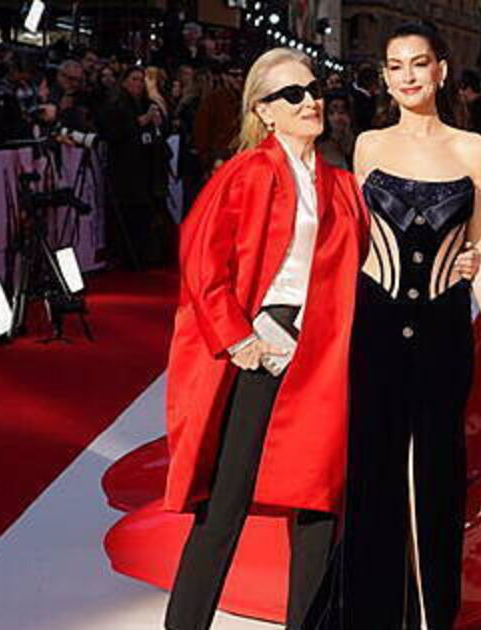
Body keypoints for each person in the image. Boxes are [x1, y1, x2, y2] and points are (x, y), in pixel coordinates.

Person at [162, 47, 367, 630]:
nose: (310, 102)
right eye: (292, 95)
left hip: (322, 357)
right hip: (260, 354)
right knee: (225, 504)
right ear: (264, 110)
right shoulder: (248, 171)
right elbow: (203, 261)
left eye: (314, 90)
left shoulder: (340, 182)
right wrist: (237, 338)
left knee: (318, 500)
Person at [323, 21, 481, 629]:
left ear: (441, 71)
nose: (407, 76)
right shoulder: (368, 145)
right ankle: (370, 616)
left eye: (418, 63)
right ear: (384, 77)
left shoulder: (475, 150)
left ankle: (433, 616)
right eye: (395, 66)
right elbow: (357, 245)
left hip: (444, 327)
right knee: (373, 471)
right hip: (377, 322)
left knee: (438, 475)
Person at [98, 66, 172, 268]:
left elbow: (165, 130)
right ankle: (129, 257)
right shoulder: (115, 105)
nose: (138, 84)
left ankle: (149, 254)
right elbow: (112, 133)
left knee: (149, 213)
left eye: (141, 80)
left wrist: (158, 122)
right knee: (130, 214)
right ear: (124, 81)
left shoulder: (146, 103)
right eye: (134, 79)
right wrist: (141, 121)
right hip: (125, 170)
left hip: (148, 168)